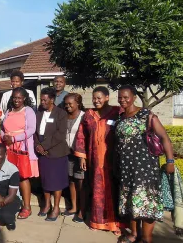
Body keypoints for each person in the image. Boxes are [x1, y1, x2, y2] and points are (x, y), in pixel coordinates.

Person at [115, 85, 175, 243]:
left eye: (126, 97)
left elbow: (164, 138)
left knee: (146, 201)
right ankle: (134, 234)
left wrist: (170, 161)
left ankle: (147, 238)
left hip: (145, 167)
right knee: (131, 200)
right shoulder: (121, 117)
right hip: (126, 168)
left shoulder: (146, 115)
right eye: (120, 97)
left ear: (134, 97)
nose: (123, 100)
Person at [74, 86, 121, 234]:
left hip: (112, 161)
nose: (96, 101)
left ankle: (115, 225)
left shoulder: (117, 113)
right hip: (95, 161)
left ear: (107, 97)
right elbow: (81, 136)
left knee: (115, 191)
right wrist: (82, 156)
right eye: (94, 98)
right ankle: (98, 222)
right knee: (97, 192)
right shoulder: (89, 114)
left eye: (99, 97)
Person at [0, 87, 38, 219]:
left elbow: (32, 129)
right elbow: (2, 127)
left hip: (21, 148)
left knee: (22, 177)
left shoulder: (28, 111)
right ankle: (11, 203)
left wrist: (14, 139)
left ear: (24, 98)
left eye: (19, 97)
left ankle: (27, 207)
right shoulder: (9, 111)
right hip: (8, 147)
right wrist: (4, 136)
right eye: (14, 97)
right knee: (9, 176)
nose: (16, 100)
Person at [33, 87, 70, 221]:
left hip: (56, 152)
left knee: (56, 181)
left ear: (52, 100)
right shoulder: (39, 113)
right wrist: (37, 145)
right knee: (45, 180)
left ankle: (56, 207)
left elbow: (60, 134)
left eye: (45, 100)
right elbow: (34, 132)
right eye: (41, 99)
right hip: (42, 152)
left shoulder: (61, 113)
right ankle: (47, 204)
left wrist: (44, 146)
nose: (42, 102)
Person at [62, 93, 86, 221]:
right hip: (68, 154)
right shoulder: (64, 116)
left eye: (70, 103)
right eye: (66, 104)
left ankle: (82, 210)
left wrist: (83, 154)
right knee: (71, 180)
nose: (68, 106)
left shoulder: (84, 117)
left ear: (78, 103)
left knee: (81, 182)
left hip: (80, 155)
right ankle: (74, 207)